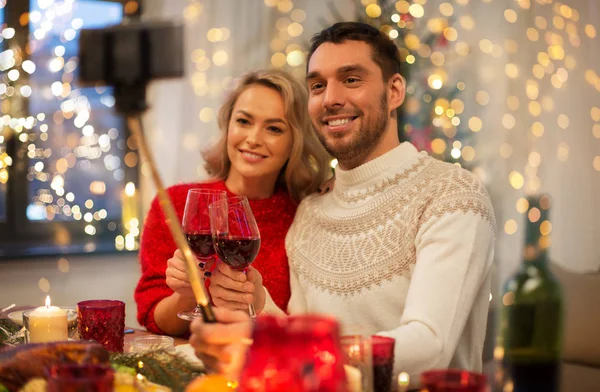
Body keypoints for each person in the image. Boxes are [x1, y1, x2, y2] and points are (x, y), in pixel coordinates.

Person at [190, 21, 496, 388]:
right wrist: (258, 301)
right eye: (318, 85)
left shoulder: (452, 194)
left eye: (351, 79)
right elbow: (299, 332)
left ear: (394, 90)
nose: (330, 98)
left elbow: (429, 345)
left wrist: (288, 352)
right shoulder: (312, 211)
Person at [134, 69, 332, 337]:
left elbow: (310, 325)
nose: (253, 138)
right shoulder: (176, 204)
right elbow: (152, 317)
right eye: (244, 121)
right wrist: (188, 296)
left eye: (274, 128)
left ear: (294, 142)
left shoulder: (307, 213)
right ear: (228, 126)